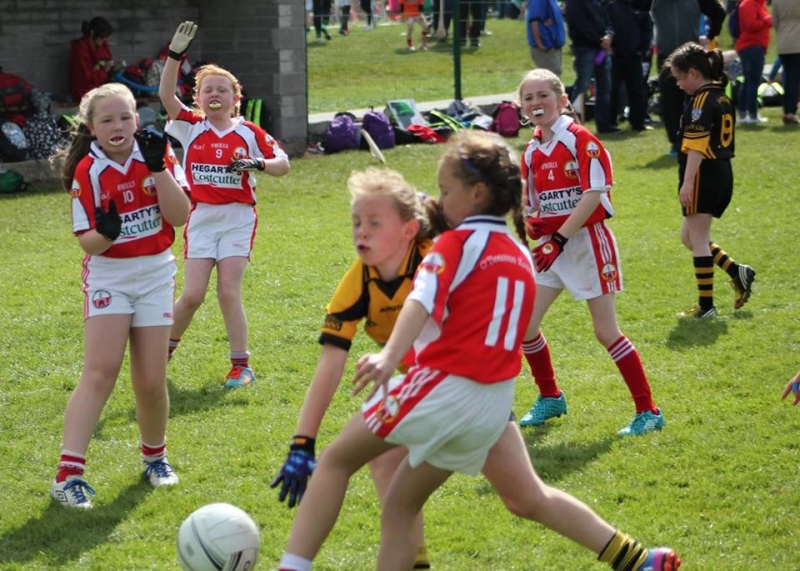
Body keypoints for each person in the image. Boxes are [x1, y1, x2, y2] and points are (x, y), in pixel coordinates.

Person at [275, 132, 681, 571]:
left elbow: (419, 301)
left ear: (477, 193)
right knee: (411, 503)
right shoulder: (519, 253)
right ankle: (639, 561)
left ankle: (292, 566)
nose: (441, 199)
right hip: (492, 405)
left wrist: (390, 357)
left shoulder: (452, 247)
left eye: (447, 191)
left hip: (444, 387)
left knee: (335, 461)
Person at [271, 168, 444, 569]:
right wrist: (302, 441)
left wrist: (437, 218)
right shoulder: (359, 280)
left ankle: (294, 564)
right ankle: (415, 560)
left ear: (408, 230)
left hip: (460, 382)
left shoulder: (435, 259)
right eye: (356, 222)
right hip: (416, 383)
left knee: (524, 496)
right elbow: (331, 362)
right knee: (383, 460)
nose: (361, 232)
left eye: (374, 222)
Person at [50, 83, 191, 508]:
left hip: (156, 273)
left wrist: (158, 169)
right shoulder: (87, 170)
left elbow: (179, 216)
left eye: (125, 117)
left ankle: (155, 458)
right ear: (92, 128)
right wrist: (106, 234)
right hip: (110, 276)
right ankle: (68, 475)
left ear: (137, 119)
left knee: (151, 380)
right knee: (101, 371)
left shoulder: (156, 153)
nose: (118, 126)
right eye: (107, 120)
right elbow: (88, 243)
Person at [516, 68, 666, 436]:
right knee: (524, 326)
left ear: (562, 100)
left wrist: (558, 238)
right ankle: (550, 396)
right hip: (551, 249)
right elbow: (530, 203)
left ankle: (648, 411)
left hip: (586, 245)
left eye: (543, 95)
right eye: (528, 98)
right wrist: (530, 222)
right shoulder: (532, 151)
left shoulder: (581, 140)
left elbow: (594, 195)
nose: (536, 103)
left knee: (606, 331)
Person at [159, 22, 290, 388]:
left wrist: (257, 164)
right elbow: (166, 95)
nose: (214, 94)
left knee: (228, 292)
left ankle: (240, 365)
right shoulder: (191, 125)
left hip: (238, 217)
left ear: (236, 98)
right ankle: (161, 352)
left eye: (222, 89)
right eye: (207, 90)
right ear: (198, 98)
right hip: (201, 217)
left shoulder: (249, 131)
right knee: (192, 296)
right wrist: (174, 56)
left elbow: (283, 164)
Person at [667, 42, 756, 318]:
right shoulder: (721, 97)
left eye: (679, 77)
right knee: (688, 237)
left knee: (698, 239)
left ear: (693, 73)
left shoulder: (701, 101)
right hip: (721, 170)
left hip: (703, 173)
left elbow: (696, 147)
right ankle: (737, 271)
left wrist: (688, 182)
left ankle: (706, 307)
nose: (678, 84)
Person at [651, 0, 725, 156]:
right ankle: (676, 143)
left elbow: (718, 12)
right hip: (667, 57)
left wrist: (711, 35)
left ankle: (700, 140)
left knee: (697, 102)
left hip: (691, 57)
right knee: (670, 102)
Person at [563, 0, 620, 134]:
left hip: (602, 50)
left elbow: (608, 21)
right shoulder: (574, 3)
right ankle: (573, 125)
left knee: (604, 87)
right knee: (582, 86)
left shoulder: (598, 2)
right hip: (584, 49)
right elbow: (579, 25)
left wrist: (609, 35)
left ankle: (604, 124)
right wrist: (599, 40)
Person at [607, 0, 654, 131]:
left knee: (637, 90)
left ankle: (638, 122)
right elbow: (606, 25)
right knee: (613, 90)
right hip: (615, 56)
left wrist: (643, 48)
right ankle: (611, 122)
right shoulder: (612, 6)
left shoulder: (640, 7)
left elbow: (647, 28)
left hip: (634, 56)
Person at [735, 0, 772, 124]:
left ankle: (743, 113)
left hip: (755, 46)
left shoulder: (760, 4)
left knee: (749, 81)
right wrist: (766, 21)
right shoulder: (749, 3)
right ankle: (752, 114)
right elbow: (750, 25)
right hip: (751, 46)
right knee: (753, 82)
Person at [68, 17, 114, 101]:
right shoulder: (80, 49)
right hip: (84, 91)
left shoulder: (101, 44)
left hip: (99, 85)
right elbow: (85, 77)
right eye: (102, 37)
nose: (104, 40)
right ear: (92, 34)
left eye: (105, 37)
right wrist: (104, 70)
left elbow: (108, 58)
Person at [771, 0, 800, 124]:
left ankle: (786, 110)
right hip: (797, 43)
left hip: (783, 43)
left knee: (787, 79)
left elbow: (775, 23)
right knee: (795, 80)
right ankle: (791, 112)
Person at [526, 0, 567, 76]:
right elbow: (534, 21)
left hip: (554, 46)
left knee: (554, 75)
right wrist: (540, 45)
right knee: (550, 77)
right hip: (546, 48)